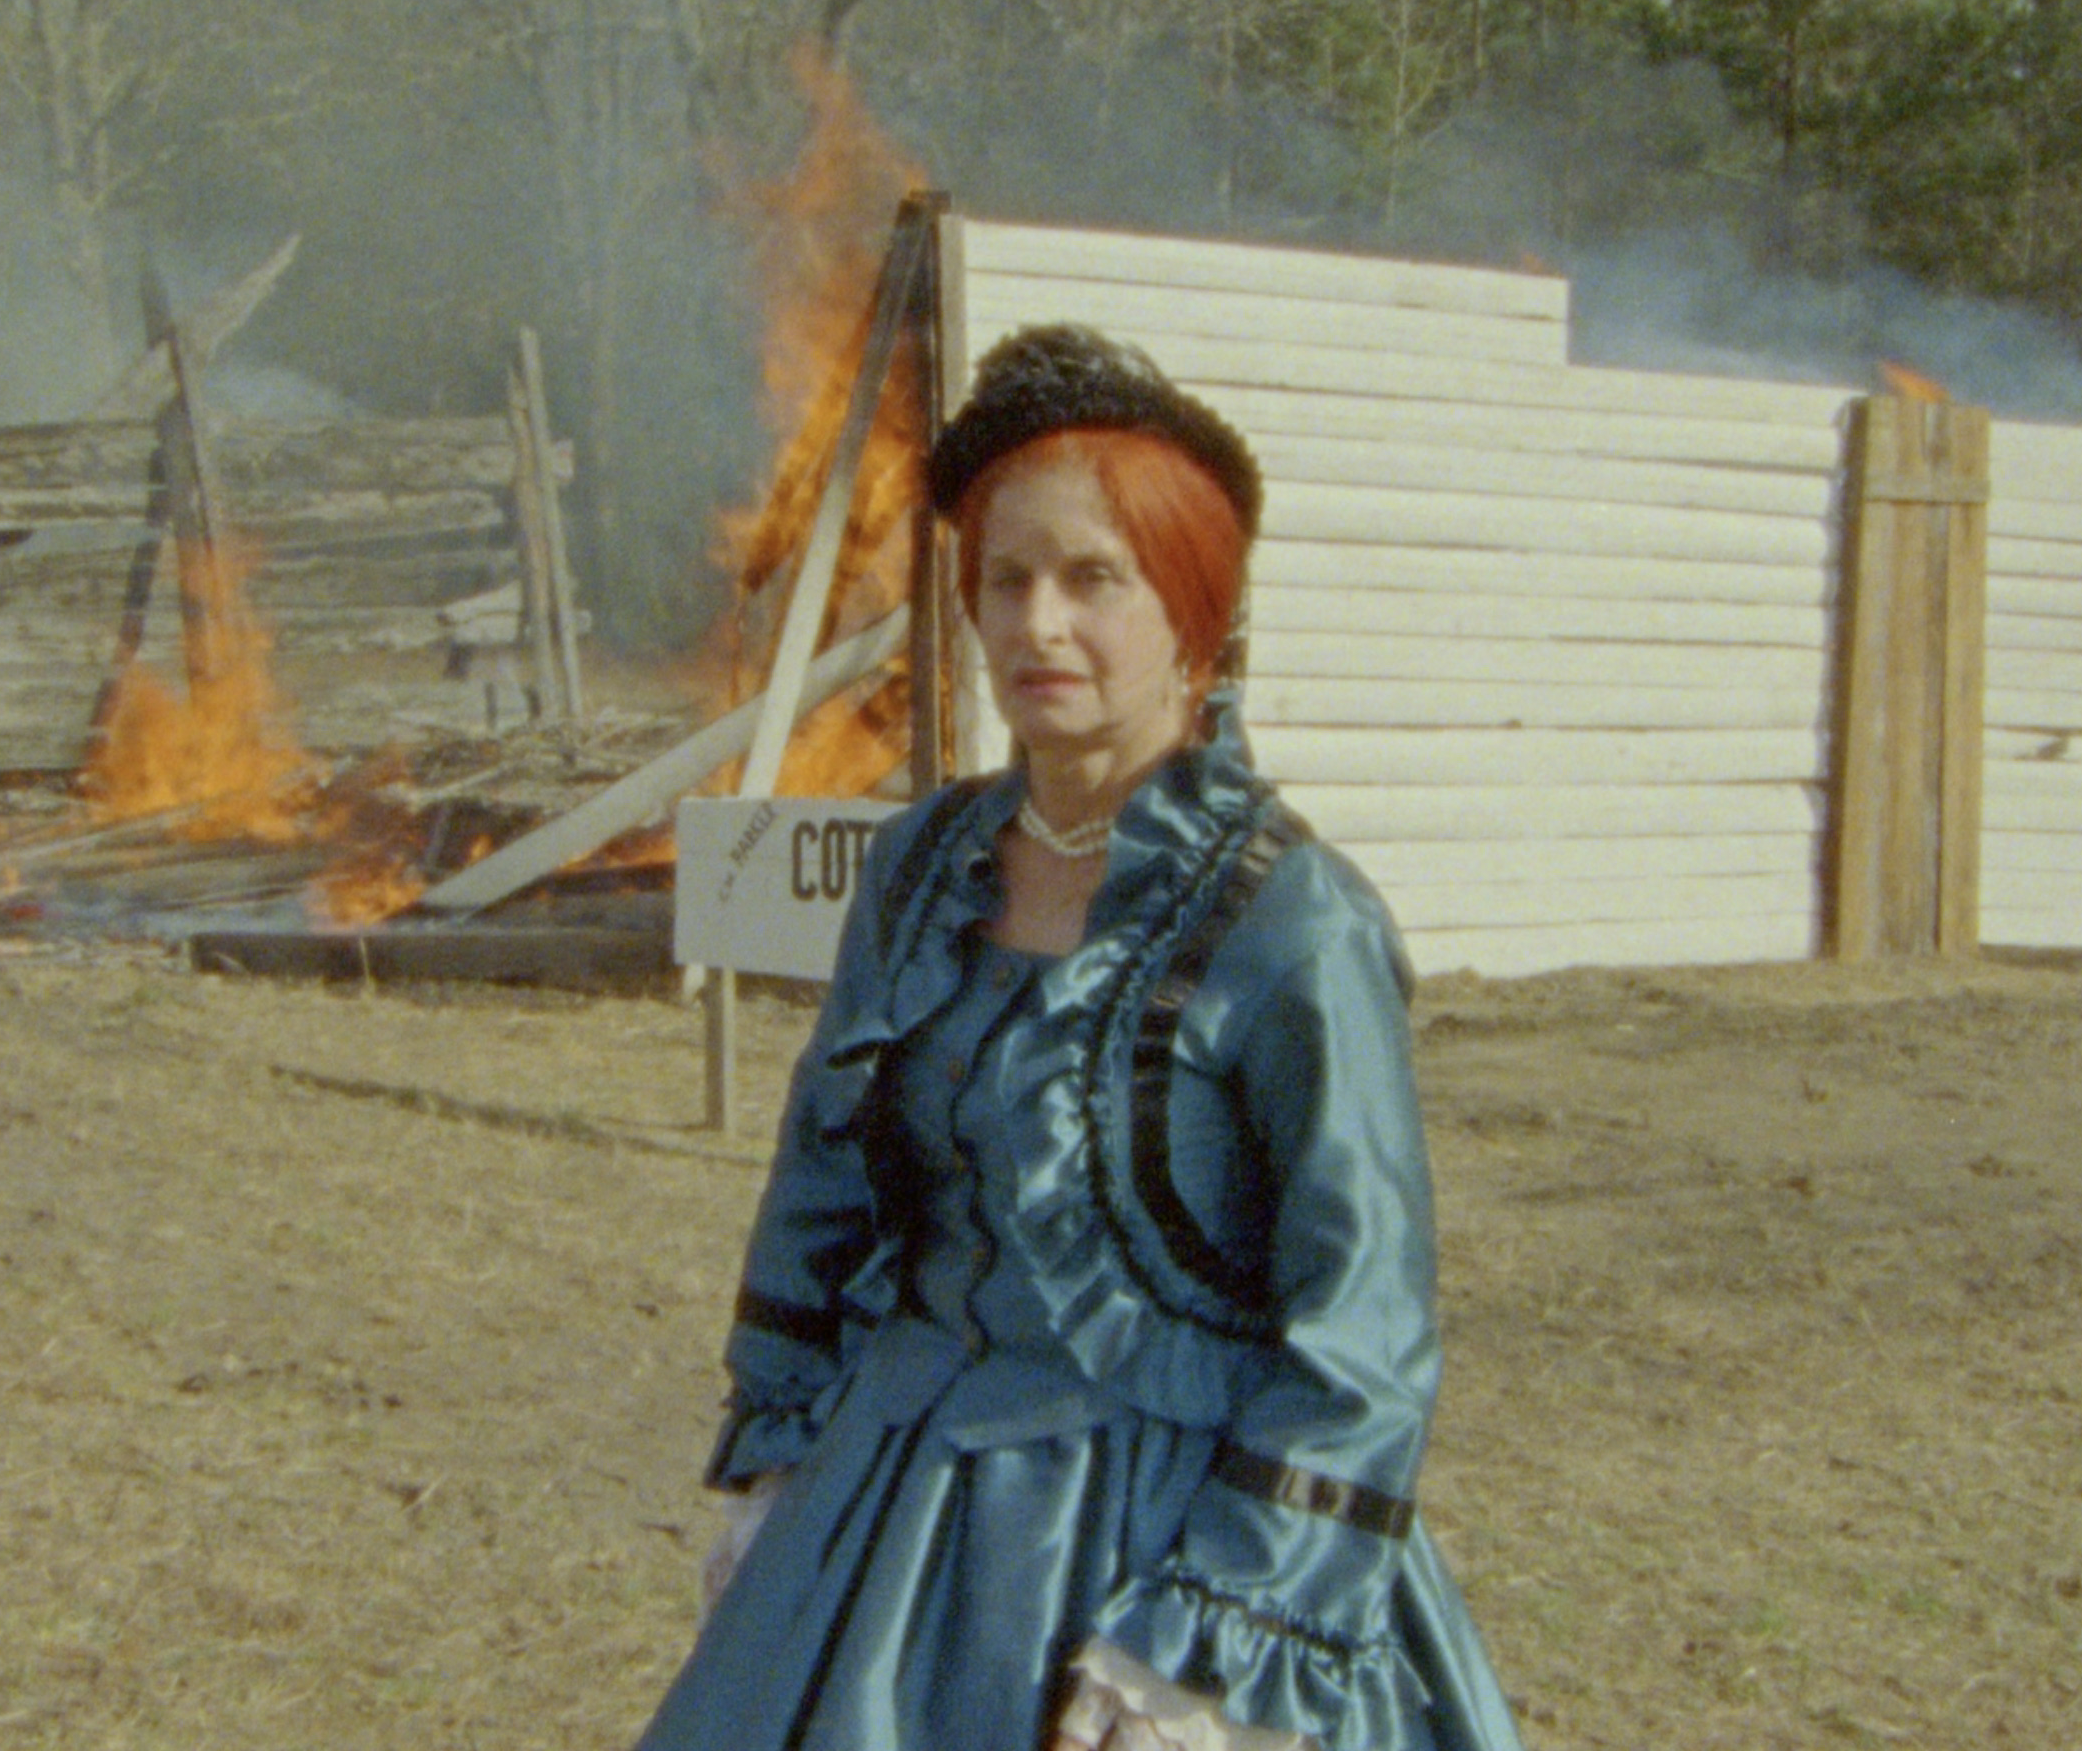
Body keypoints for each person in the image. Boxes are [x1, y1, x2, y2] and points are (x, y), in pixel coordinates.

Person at [632, 325, 1527, 1751]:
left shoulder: (1295, 919)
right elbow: (825, 1176)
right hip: (898, 1511)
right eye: (1007, 580)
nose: (1039, 627)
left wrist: (1213, 1645)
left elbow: (1363, 1323)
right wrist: (779, 1455)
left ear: (1195, 609)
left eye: (1094, 579)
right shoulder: (926, 863)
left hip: (1178, 1529)